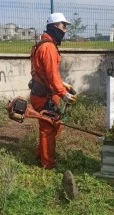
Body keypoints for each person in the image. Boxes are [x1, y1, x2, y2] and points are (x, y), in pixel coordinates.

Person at [29, 12, 77, 169]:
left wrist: (63, 84)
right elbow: (50, 73)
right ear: (54, 26)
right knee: (48, 129)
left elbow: (43, 72)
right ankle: (47, 165)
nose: (65, 30)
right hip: (45, 96)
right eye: (63, 26)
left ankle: (40, 156)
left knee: (52, 126)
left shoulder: (41, 44)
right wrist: (64, 94)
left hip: (43, 93)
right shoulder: (48, 47)